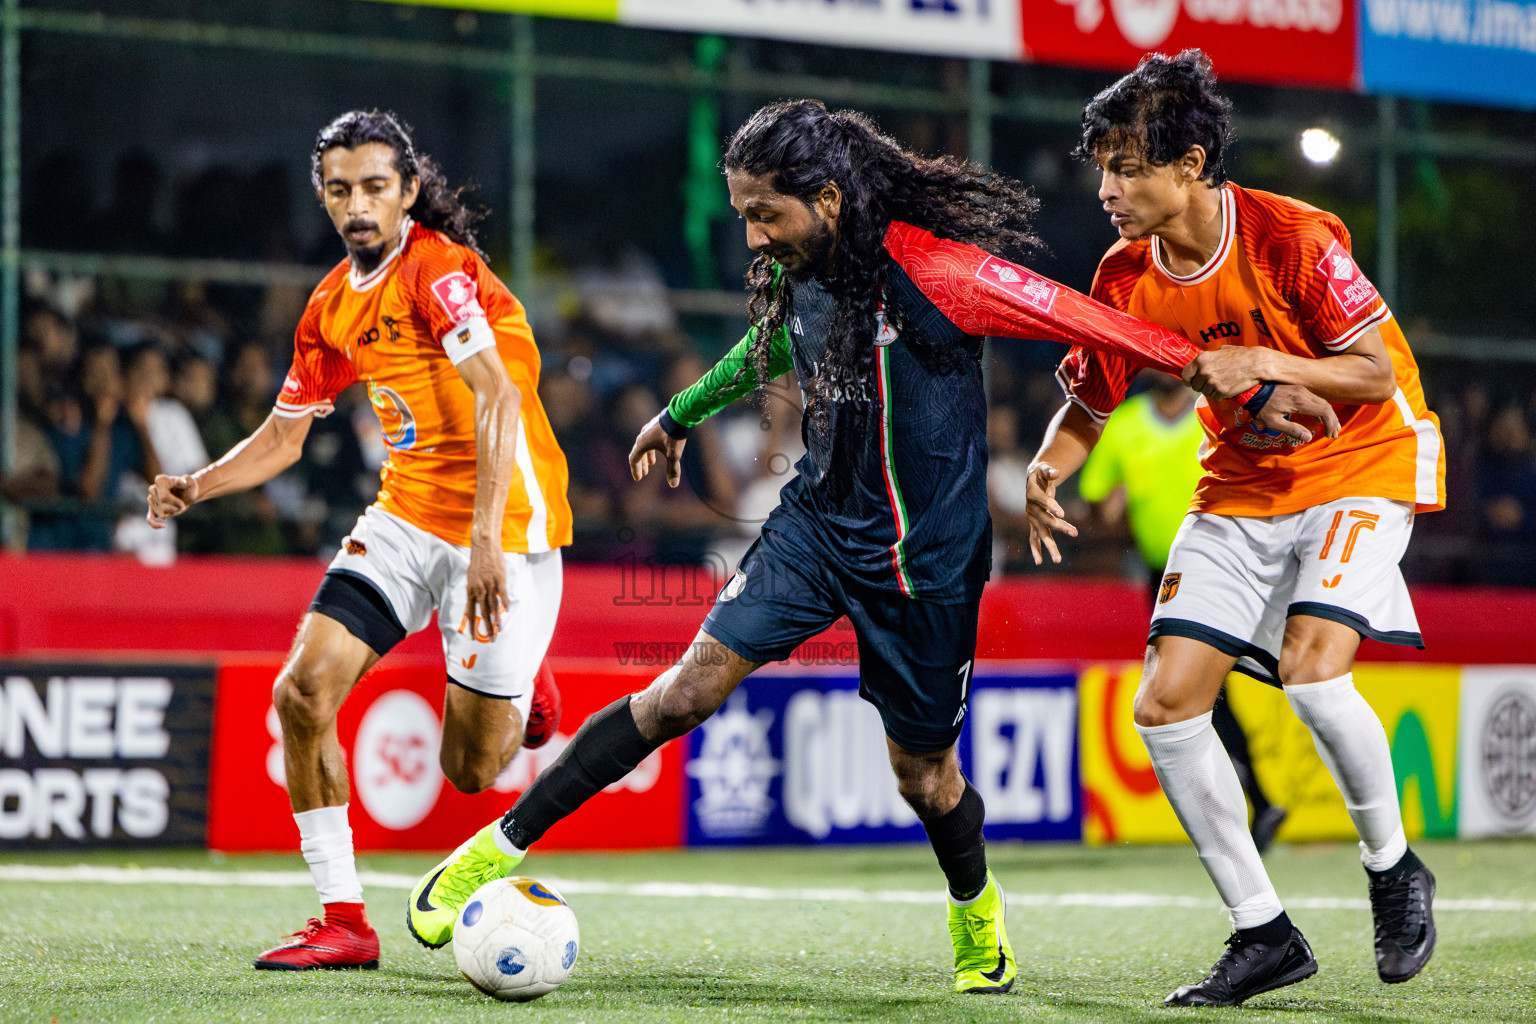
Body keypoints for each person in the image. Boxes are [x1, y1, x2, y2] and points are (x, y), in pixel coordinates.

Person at [406, 98, 1334, 995]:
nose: (753, 237)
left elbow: (1089, 320)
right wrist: (680, 409)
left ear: (830, 200)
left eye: (765, 215)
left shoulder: (939, 272)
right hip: (817, 528)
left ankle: (976, 911)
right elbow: (772, 347)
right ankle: (491, 850)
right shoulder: (799, 268)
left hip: (927, 567)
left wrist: (1237, 386)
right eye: (743, 216)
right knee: (682, 691)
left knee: (925, 778)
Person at [1024, 51, 1444, 1006]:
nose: (1107, 188)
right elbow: (1090, 406)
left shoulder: (1292, 237)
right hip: (1242, 487)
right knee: (1165, 706)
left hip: (1361, 465)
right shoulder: (1123, 274)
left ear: (1192, 164)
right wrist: (1048, 470)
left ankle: (1393, 869)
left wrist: (1259, 358)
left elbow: (1375, 372)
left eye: (1127, 166)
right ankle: (1263, 934)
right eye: (1102, 166)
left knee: (1310, 667)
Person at [145, 110, 572, 971]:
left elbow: (494, 398)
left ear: (408, 191)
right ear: (323, 195)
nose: (358, 205)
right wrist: (201, 484)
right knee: (300, 694)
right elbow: (284, 435)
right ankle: (344, 920)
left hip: (507, 528)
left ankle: (525, 683)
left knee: (472, 772)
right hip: (406, 517)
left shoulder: (440, 273)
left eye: (376, 186)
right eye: (341, 189)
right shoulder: (332, 306)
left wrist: (486, 541)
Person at [1078, 370, 1286, 852]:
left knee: (1196, 688)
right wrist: (1116, 511)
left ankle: (1249, 801)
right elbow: (1097, 500)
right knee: (1202, 690)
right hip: (1162, 577)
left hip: (1224, 565)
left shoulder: (1213, 413)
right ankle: (1256, 799)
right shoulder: (1126, 424)